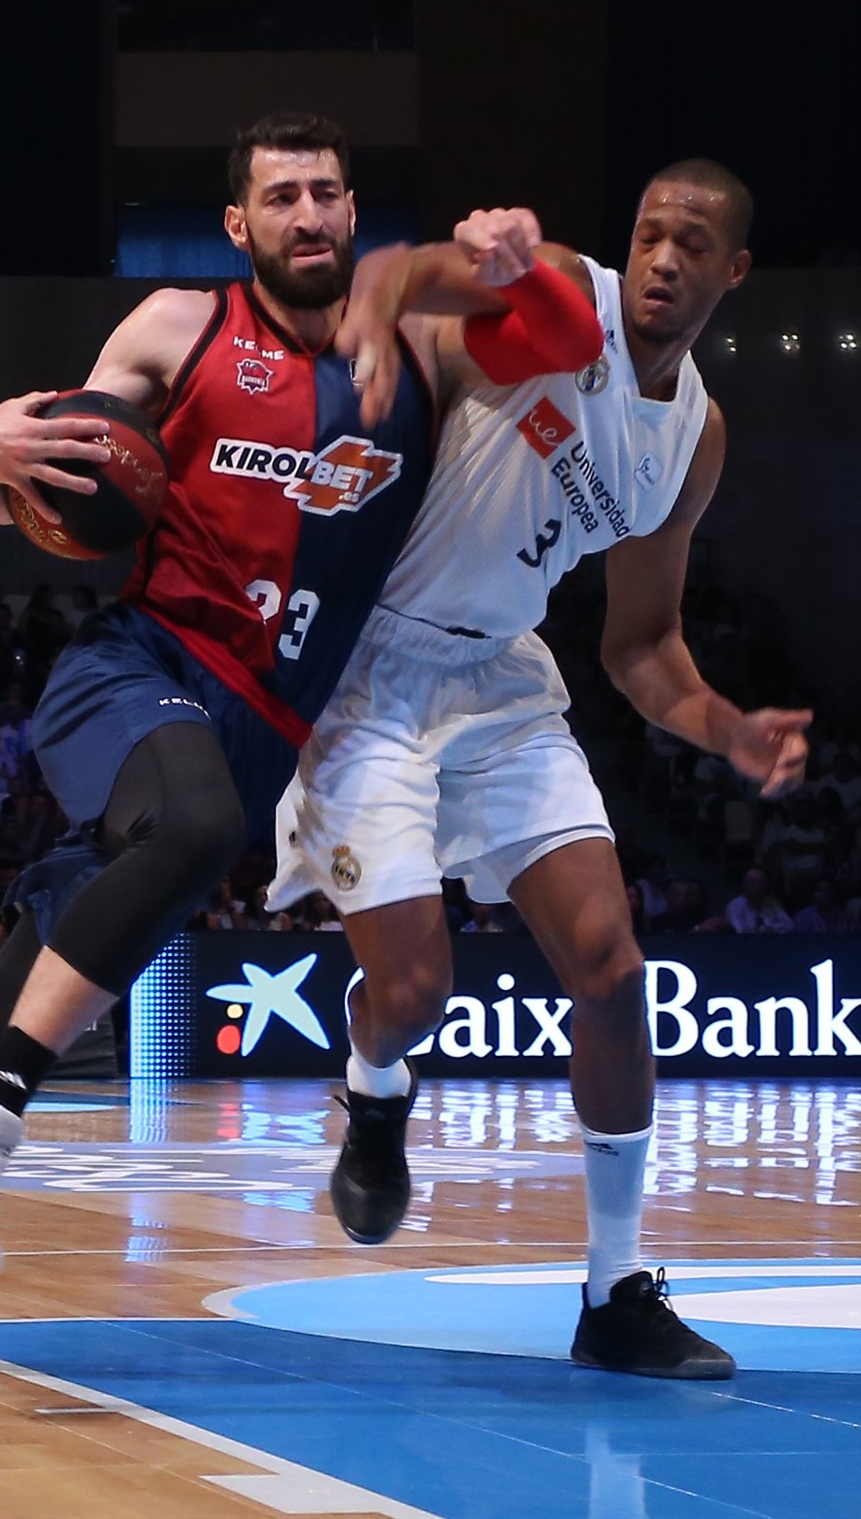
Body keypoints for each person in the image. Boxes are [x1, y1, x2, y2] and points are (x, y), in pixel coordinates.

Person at [0, 111, 595, 1336]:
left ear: (357, 216)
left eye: (329, 193)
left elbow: (567, 340)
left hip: (258, 731)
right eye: (283, 196)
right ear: (239, 224)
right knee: (191, 828)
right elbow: (46, 476)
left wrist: (522, 256)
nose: (309, 214)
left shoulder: (416, 349)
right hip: (137, 670)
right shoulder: (177, 328)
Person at [265, 163, 805, 1379]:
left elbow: (643, 647)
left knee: (614, 968)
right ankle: (374, 1086)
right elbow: (396, 272)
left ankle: (616, 1292)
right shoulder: (559, 289)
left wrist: (728, 730)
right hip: (375, 675)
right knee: (411, 993)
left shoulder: (696, 437)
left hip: (503, 683)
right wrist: (383, 315)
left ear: (734, 272)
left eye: (695, 242)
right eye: (651, 231)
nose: (665, 257)